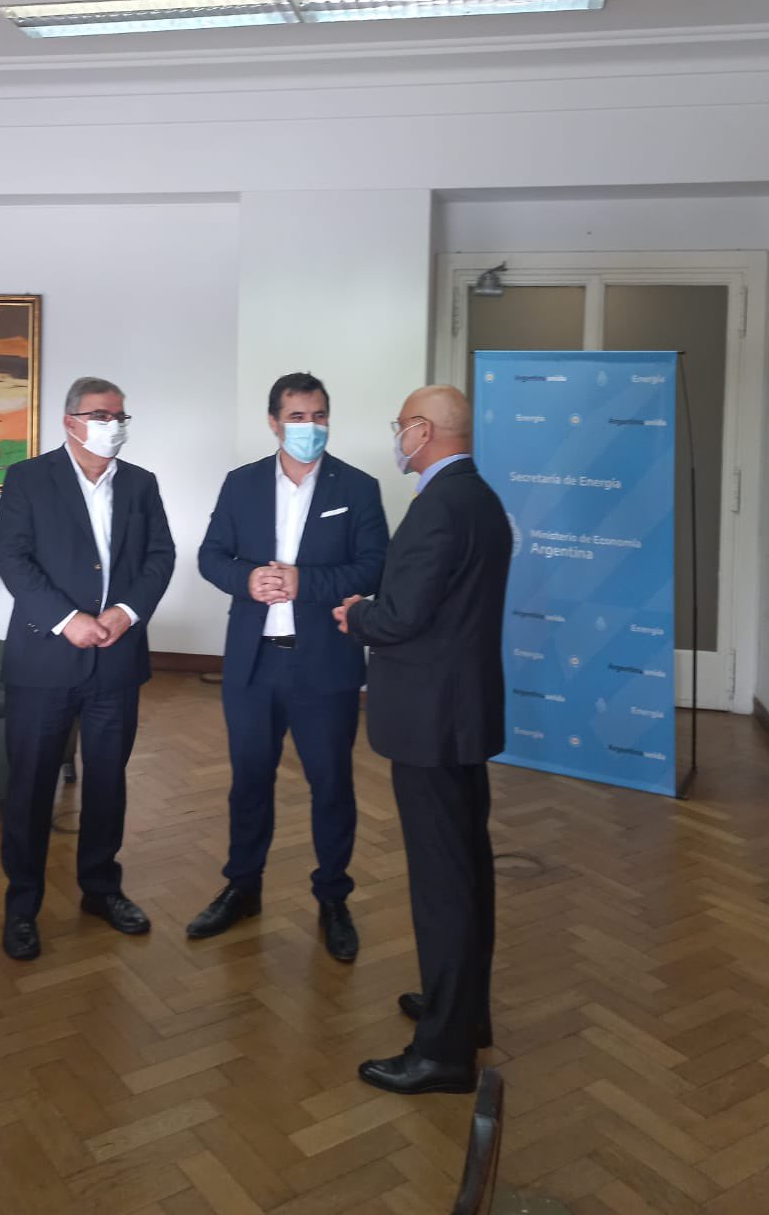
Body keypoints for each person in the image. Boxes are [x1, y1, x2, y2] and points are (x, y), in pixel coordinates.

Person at [334, 385, 511, 1094]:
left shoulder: (439, 505)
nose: (397, 439)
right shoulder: (479, 497)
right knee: (468, 871)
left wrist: (357, 614)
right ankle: (463, 1012)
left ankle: (441, 1053)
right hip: (460, 717)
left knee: (443, 885)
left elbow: (402, 616)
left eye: (400, 426)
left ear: (421, 429)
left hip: (431, 722)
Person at [191, 372, 388, 960]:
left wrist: (306, 583)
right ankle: (242, 887)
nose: (310, 427)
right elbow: (210, 556)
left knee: (331, 785)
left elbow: (374, 568)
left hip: (325, 665)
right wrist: (246, 579)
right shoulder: (242, 483)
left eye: (319, 415)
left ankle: (332, 897)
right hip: (253, 664)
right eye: (298, 417)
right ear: (274, 423)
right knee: (249, 782)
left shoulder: (359, 487)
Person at [0, 376, 175, 961]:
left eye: (120, 416)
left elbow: (160, 557)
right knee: (30, 787)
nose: (112, 425)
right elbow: (13, 558)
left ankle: (101, 888)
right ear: (70, 422)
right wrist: (66, 619)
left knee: (107, 781)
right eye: (101, 415)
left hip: (116, 659)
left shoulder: (141, 484)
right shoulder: (28, 479)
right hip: (44, 659)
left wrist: (127, 611)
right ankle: (22, 905)